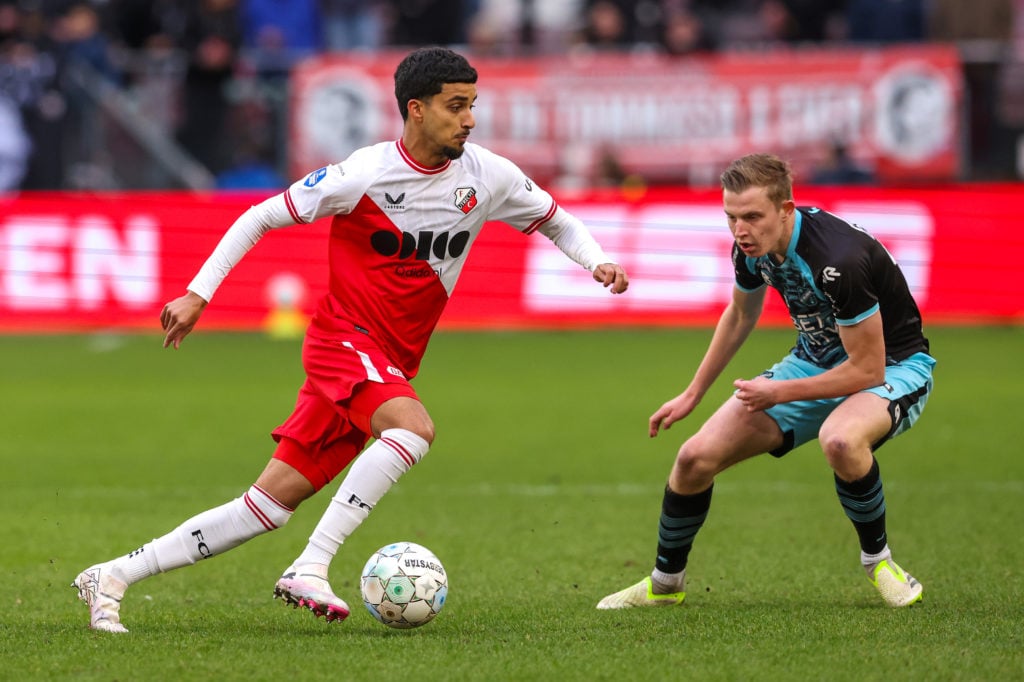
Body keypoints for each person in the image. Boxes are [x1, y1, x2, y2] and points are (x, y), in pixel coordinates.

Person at [73, 46, 629, 633]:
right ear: (415, 110)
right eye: (455, 106)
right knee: (413, 430)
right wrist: (197, 293)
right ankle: (311, 566)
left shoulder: (488, 176)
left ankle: (112, 575)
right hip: (343, 342)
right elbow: (259, 216)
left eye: (472, 105)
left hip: (388, 361)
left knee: (264, 507)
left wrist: (596, 261)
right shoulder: (364, 174)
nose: (469, 119)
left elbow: (556, 219)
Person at [596, 152, 933, 611]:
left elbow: (866, 370)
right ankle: (664, 585)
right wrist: (693, 393)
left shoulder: (839, 261)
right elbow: (740, 313)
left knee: (840, 440)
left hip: (894, 367)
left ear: (786, 210)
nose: (740, 230)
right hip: (814, 361)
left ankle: (879, 562)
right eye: (731, 217)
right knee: (693, 459)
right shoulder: (750, 247)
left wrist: (779, 391)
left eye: (752, 216)